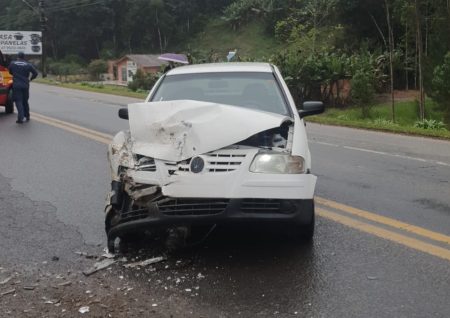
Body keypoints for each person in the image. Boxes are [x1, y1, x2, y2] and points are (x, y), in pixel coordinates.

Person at [8, 52, 38, 124]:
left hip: (17, 85)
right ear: (24, 57)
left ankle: (20, 117)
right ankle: (27, 116)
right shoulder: (28, 65)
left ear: (17, 57)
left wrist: (15, 75)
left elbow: (10, 71)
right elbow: (35, 73)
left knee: (18, 101)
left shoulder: (13, 63)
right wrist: (30, 79)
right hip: (25, 85)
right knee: (25, 101)